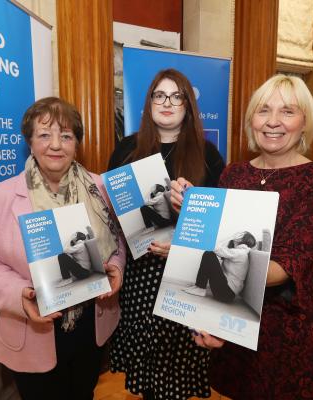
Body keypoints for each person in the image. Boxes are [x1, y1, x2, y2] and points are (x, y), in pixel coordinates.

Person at [171, 74, 313, 400]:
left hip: (282, 337)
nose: (273, 121)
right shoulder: (234, 174)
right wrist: (195, 211)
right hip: (230, 324)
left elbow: (284, 268)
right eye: (264, 110)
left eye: (288, 111)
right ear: (252, 119)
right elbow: (214, 244)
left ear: (305, 122)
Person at [0, 97, 126, 400]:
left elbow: (116, 240)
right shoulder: (2, 197)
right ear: (30, 142)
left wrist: (115, 266)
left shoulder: (99, 188)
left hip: (90, 328)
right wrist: (18, 295)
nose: (56, 145)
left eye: (66, 135)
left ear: (76, 143)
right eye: (44, 134)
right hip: (33, 329)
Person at [108, 68, 225, 400]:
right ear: (149, 103)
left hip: (187, 276)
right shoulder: (126, 150)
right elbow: (113, 213)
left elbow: (219, 224)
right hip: (140, 276)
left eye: (177, 96)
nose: (168, 102)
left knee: (177, 373)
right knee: (147, 375)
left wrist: (187, 219)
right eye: (160, 95)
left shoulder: (208, 154)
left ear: (188, 105)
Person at [184, 231, 256, 303]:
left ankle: (200, 288)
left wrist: (231, 237)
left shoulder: (240, 252)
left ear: (242, 239)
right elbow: (219, 251)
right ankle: (198, 287)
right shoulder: (239, 251)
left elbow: (214, 248)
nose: (237, 235)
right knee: (210, 254)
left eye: (240, 235)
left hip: (226, 293)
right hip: (226, 292)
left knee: (209, 254)